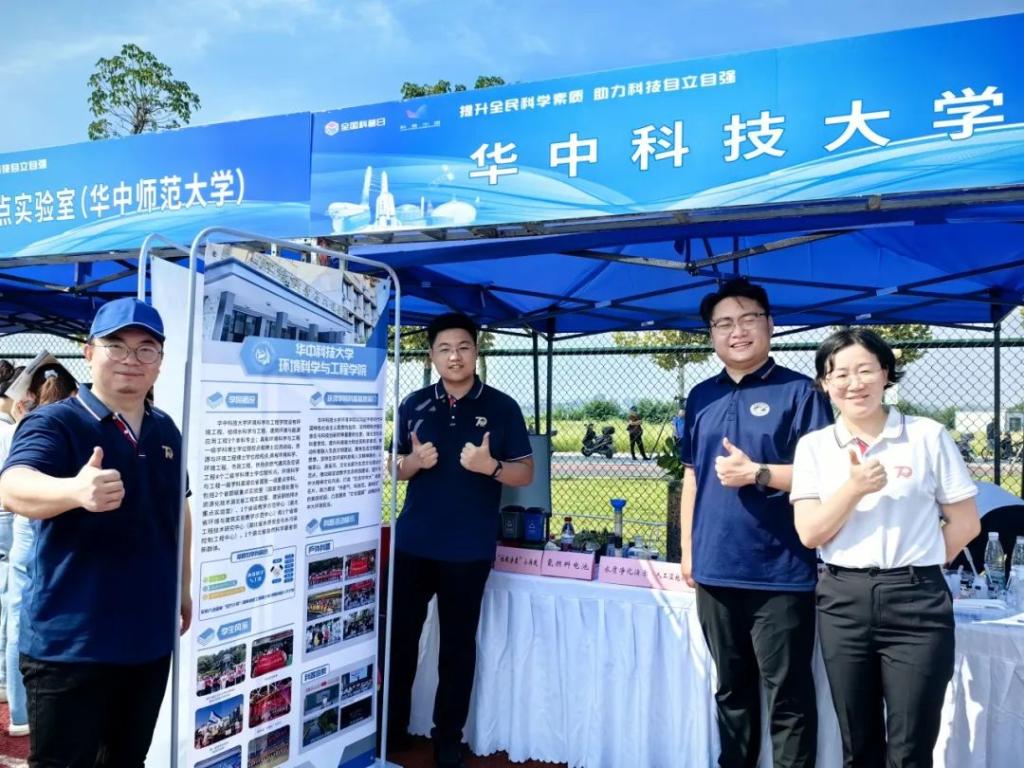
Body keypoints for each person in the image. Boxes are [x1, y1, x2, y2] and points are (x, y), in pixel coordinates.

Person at [0, 298, 192, 767]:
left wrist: (183, 586)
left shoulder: (166, 429)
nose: (131, 359)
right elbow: (12, 486)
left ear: (160, 362)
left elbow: (179, 508)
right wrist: (74, 490)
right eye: (116, 346)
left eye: (146, 349)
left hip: (147, 641)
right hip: (71, 646)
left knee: (126, 760)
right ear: (89, 353)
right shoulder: (56, 421)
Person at [791, 329, 980, 768]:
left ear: (886, 374)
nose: (854, 383)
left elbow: (966, 523)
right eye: (839, 374)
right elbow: (810, 533)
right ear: (824, 384)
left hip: (917, 602)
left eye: (865, 370)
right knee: (858, 744)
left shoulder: (927, 436)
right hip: (843, 600)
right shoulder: (814, 447)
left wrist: (919, 561)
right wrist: (853, 488)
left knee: (911, 747)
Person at [678, 278, 832, 768]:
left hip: (781, 571)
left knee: (788, 697)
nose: (737, 331)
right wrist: (688, 551)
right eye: (723, 323)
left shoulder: (800, 392)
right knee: (731, 689)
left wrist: (758, 473)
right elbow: (692, 477)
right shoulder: (701, 396)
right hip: (714, 569)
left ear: (771, 325)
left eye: (748, 319)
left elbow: (826, 476)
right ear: (711, 334)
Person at [387, 312, 533, 768]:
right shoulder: (413, 404)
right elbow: (391, 466)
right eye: (445, 349)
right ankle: (391, 728)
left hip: (468, 550)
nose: (455, 356)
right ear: (431, 355)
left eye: (464, 347)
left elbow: (525, 473)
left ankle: (447, 738)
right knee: (399, 642)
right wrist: (411, 464)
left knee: (456, 647)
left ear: (476, 350)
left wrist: (490, 467)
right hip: (413, 544)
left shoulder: (503, 407)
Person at [1, 359, 79, 737]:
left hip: (22, 525)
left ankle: (20, 711)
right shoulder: (71, 424)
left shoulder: (27, 423)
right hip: (51, 526)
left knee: (17, 615)